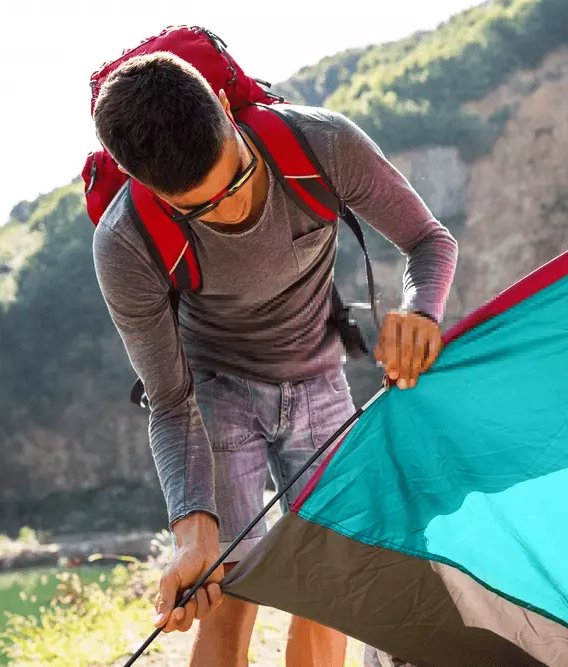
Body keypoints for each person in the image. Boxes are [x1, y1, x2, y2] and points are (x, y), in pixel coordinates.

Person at [91, 51, 457, 667]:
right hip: (213, 393)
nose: (229, 210)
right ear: (151, 191)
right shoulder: (126, 242)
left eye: (233, 181)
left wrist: (421, 310)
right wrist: (192, 528)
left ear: (232, 119)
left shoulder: (322, 146)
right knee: (228, 593)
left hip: (318, 377)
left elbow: (429, 241)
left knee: (331, 584)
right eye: (199, 209)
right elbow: (171, 402)